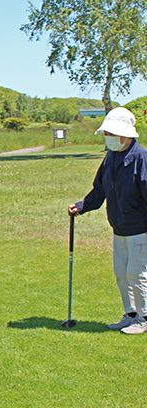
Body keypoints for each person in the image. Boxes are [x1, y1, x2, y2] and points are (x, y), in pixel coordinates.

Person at [68, 107, 147, 334]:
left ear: (126, 134)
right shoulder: (111, 157)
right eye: (107, 133)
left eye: (112, 133)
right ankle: (130, 314)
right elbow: (99, 190)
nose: (108, 137)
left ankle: (144, 317)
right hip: (119, 227)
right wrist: (82, 207)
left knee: (136, 273)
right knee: (121, 273)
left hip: (140, 229)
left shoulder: (141, 158)